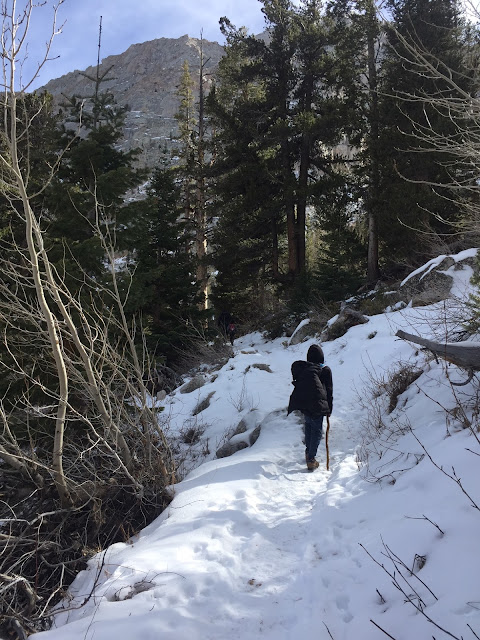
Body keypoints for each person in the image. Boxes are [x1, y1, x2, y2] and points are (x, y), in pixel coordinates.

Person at [287, 344, 333, 471]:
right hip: (318, 405)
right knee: (317, 430)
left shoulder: (305, 369)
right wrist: (329, 409)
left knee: (308, 426)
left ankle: (308, 453)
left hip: (304, 403)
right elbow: (329, 391)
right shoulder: (325, 370)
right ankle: (311, 459)